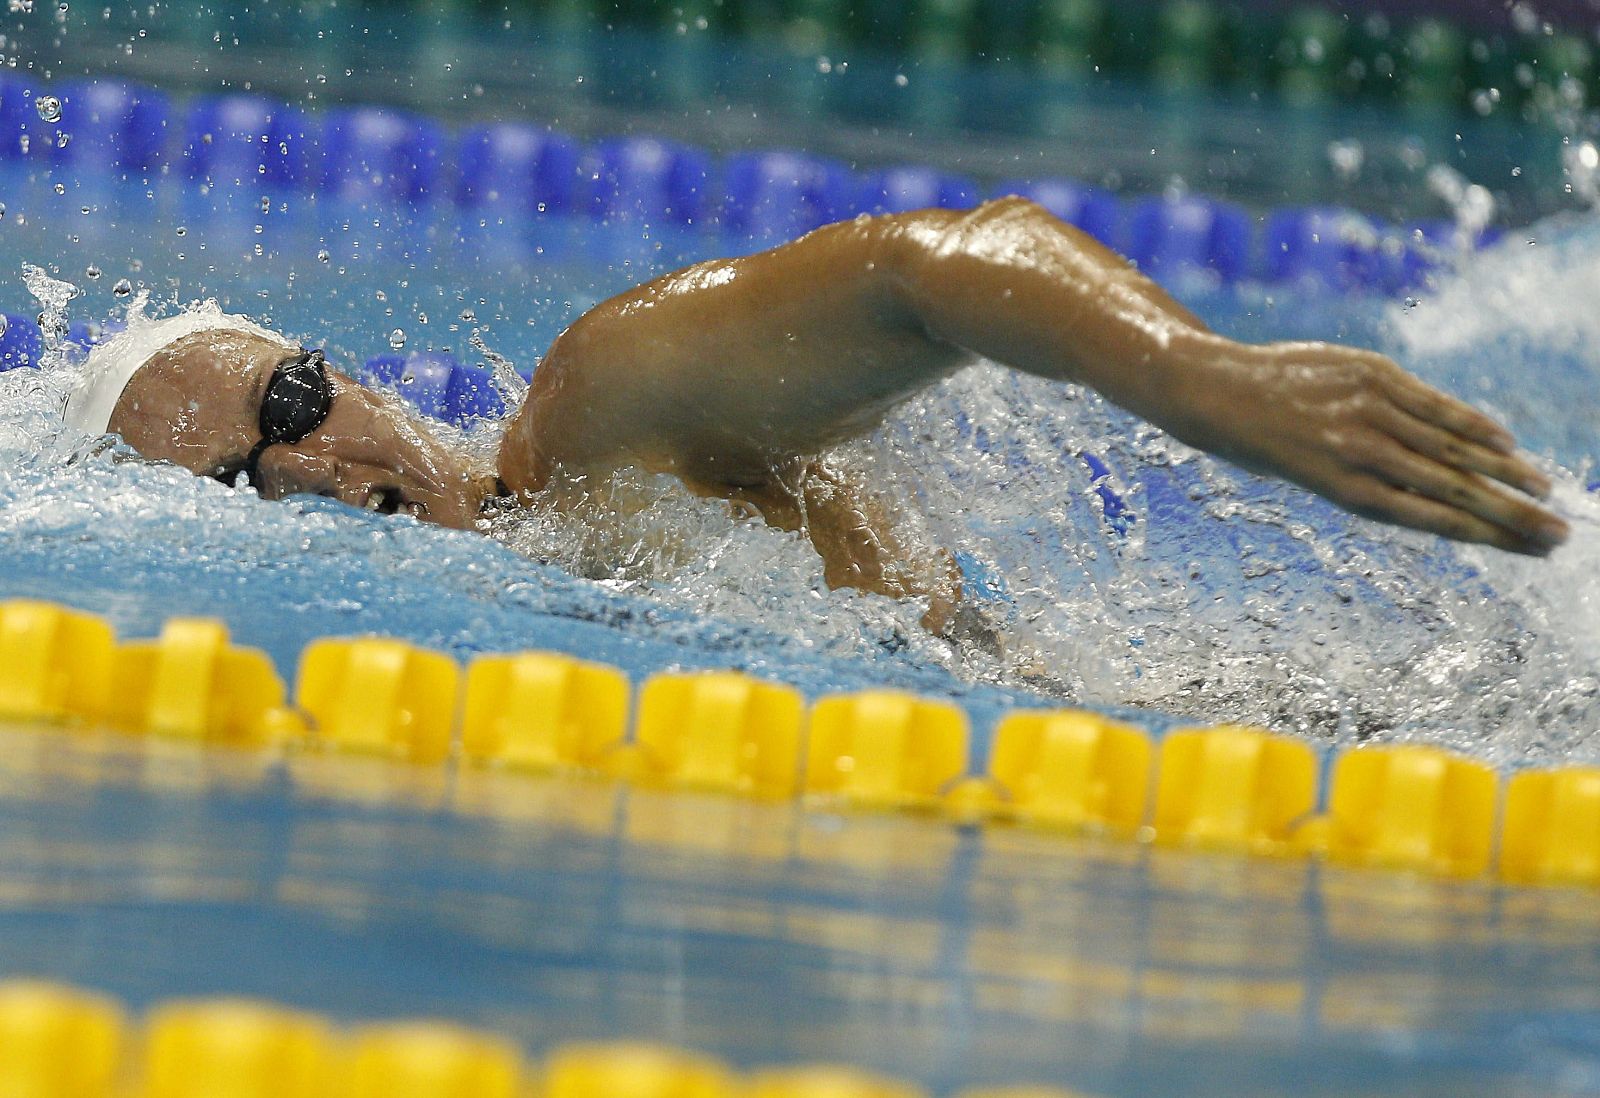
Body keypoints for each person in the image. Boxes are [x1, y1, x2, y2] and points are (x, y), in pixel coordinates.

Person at [66, 197, 1570, 633]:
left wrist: (1192, 373)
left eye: (293, 400)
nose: (315, 471)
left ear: (352, 369)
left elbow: (929, 267)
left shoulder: (599, 415)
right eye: (238, 486)